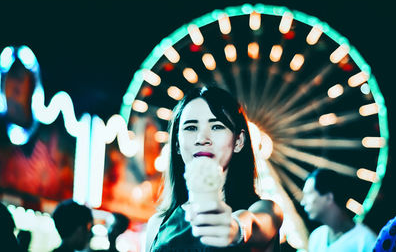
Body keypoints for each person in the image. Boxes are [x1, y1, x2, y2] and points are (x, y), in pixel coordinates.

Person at [145, 86, 283, 251]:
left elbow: (254, 223)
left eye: (217, 126)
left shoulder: (267, 211)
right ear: (177, 145)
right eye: (191, 127)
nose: (202, 138)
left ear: (239, 141)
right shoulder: (158, 224)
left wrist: (235, 228)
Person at [301, 168, 376, 252]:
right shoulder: (316, 236)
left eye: (308, 194)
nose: (303, 202)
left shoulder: (366, 242)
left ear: (329, 197)